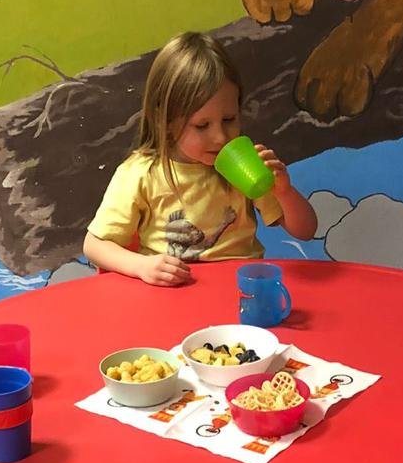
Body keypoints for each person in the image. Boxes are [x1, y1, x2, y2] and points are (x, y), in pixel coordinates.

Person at [82, 31, 317, 284]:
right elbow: (94, 245)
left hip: (239, 291)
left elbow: (305, 231)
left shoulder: (245, 166)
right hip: (172, 295)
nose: (220, 137)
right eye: (202, 125)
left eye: (229, 119)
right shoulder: (141, 173)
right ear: (165, 122)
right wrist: (141, 266)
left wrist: (284, 192)